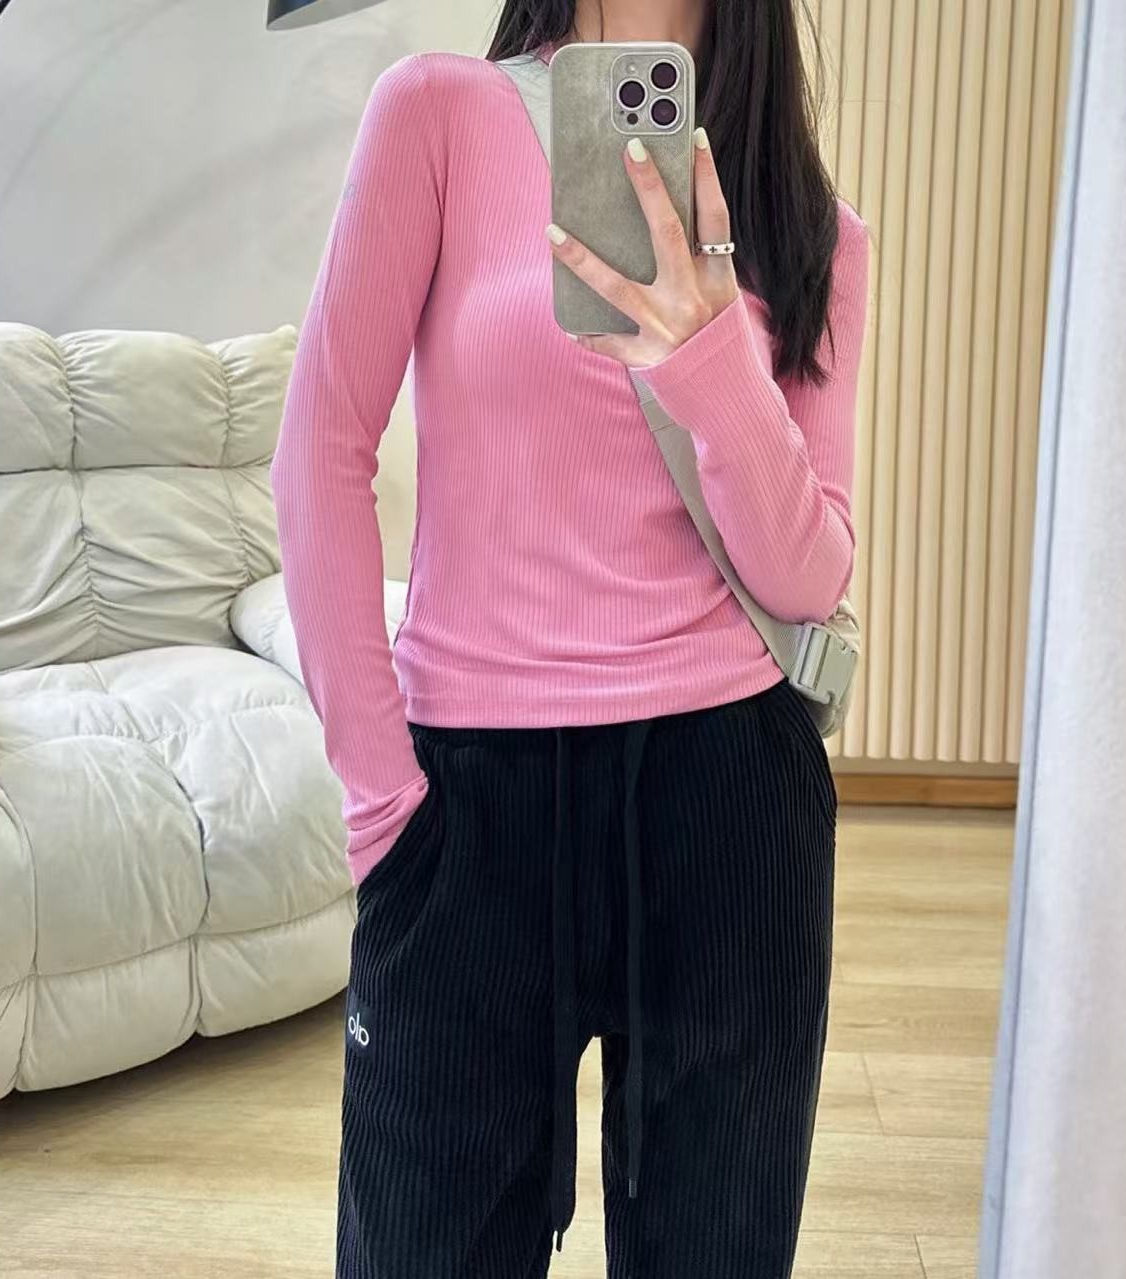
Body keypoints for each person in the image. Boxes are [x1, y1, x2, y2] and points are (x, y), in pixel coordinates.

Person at [270, 0, 869, 1274]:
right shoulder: (439, 114)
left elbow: (809, 572)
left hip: (727, 800)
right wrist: (381, 803)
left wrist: (710, 355)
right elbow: (319, 449)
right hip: (466, 808)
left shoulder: (806, 222)